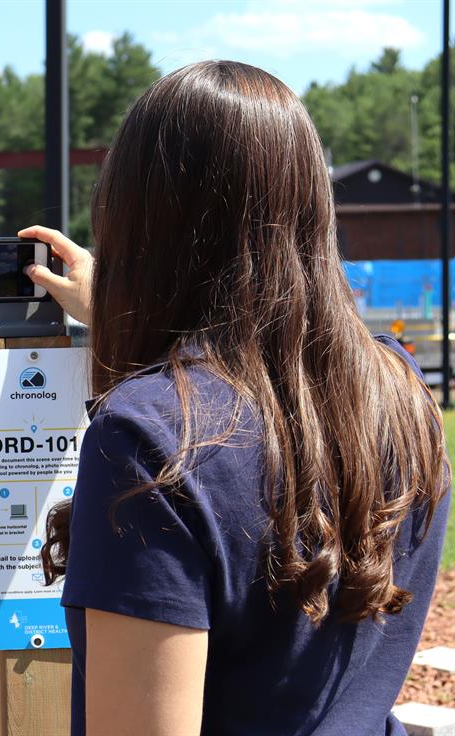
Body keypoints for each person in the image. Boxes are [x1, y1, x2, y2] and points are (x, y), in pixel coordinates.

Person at [23, 60, 450, 736]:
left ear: (139, 222)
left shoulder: (146, 440)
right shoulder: (402, 395)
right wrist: (119, 317)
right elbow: (263, 396)